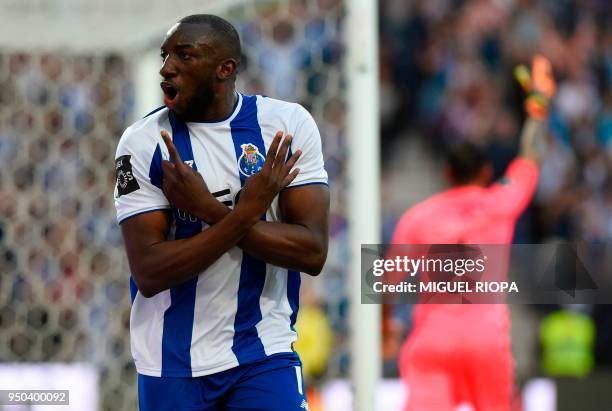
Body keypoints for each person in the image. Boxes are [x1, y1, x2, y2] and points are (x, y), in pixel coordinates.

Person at [113, 14, 329, 411]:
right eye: (165, 56)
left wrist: (209, 210)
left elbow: (312, 252)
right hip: (171, 362)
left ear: (224, 69)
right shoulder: (143, 143)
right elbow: (149, 272)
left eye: (184, 55)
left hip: (263, 352)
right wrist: (241, 214)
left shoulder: (285, 126)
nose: (166, 68)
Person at [390, 55, 556, 411]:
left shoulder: (418, 217)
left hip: (433, 341)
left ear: (447, 174)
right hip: (486, 341)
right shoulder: (503, 200)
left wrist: (386, 326)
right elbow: (531, 155)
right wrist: (538, 105)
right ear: (485, 172)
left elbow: (387, 282)